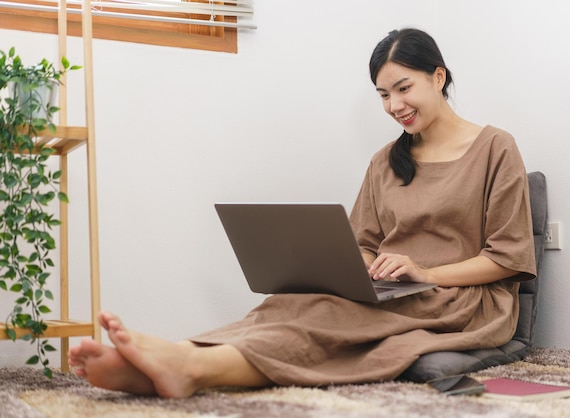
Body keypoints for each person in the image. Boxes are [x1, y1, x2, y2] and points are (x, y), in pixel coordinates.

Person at [69, 28, 536, 399]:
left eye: (403, 87)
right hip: (396, 289)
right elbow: (365, 242)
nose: (394, 106)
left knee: (331, 318)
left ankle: (190, 365)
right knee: (292, 302)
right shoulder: (383, 161)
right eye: (382, 95)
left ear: (438, 76)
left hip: (461, 300)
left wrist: (424, 270)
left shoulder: (495, 147)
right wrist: (350, 267)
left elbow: (508, 258)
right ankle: (181, 355)